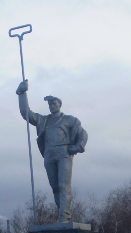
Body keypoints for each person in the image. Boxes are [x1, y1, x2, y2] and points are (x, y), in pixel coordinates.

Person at [16, 79, 88, 222]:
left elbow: (83, 134)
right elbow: (26, 113)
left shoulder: (69, 120)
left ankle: (64, 215)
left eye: (55, 104)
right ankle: (62, 213)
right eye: (50, 104)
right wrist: (21, 93)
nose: (52, 106)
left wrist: (78, 146)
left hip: (64, 153)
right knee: (55, 187)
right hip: (49, 154)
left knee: (63, 185)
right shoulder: (44, 120)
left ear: (59, 105)